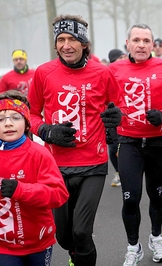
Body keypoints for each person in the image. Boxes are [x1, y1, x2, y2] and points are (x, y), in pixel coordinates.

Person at [28, 14, 123, 266]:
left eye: (72, 39)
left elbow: (117, 106)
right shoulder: (43, 73)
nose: (66, 45)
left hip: (93, 162)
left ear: (84, 44)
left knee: (82, 232)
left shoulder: (102, 73)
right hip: (55, 166)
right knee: (64, 236)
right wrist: (46, 131)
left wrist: (116, 117)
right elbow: (31, 113)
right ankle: (75, 255)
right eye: (61, 39)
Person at [108, 23, 162, 266]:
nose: (141, 45)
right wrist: (111, 120)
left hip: (158, 143)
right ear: (127, 43)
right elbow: (104, 104)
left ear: (153, 45)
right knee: (130, 198)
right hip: (129, 142)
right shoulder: (113, 70)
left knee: (157, 195)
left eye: (146, 41)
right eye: (136, 40)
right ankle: (133, 247)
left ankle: (156, 238)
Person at [0, 90, 69, 266]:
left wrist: (20, 190)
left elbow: (59, 194)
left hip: (38, 242)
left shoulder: (39, 154)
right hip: (4, 247)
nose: (8, 123)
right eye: (1, 119)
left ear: (27, 122)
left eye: (15, 117)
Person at [107, 48, 128, 187]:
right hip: (111, 116)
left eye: (123, 57)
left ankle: (127, 172)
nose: (122, 60)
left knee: (125, 147)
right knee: (113, 149)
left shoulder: (128, 73)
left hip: (126, 116)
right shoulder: (107, 74)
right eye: (119, 58)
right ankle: (118, 173)